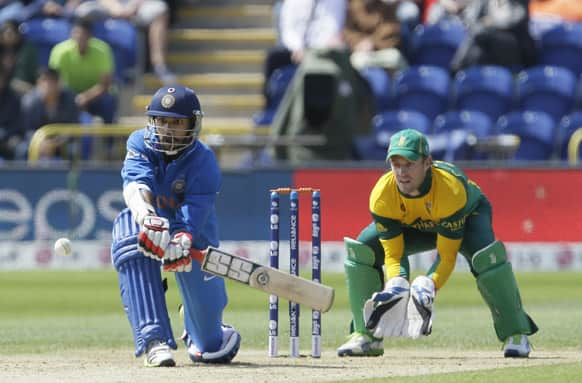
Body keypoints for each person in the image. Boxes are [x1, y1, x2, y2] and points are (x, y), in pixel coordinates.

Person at [336, 128, 538, 358]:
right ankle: (367, 337)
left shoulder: (449, 189)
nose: (401, 172)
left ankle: (516, 334)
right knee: (362, 251)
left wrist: (430, 283)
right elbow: (393, 253)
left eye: (409, 164)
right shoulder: (382, 195)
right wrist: (397, 282)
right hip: (413, 225)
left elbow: (447, 255)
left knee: (486, 257)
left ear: (427, 162)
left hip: (467, 217)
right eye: (396, 164)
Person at [109, 84, 241, 367]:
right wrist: (147, 217)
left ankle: (197, 325)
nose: (167, 129)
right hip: (150, 224)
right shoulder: (138, 142)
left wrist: (181, 239)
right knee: (128, 235)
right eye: (162, 121)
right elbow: (136, 184)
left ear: (192, 125)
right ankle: (153, 341)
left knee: (211, 349)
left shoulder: (205, 162)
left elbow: (193, 214)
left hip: (193, 240)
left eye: (177, 123)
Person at [75, 0, 176, 84]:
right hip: (108, 6)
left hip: (136, 6)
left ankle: (159, 65)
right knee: (81, 11)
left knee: (160, 8)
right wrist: (114, 7)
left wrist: (132, 7)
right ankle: (83, 64)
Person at [49, 17, 117, 123]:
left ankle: (109, 138)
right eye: (75, 33)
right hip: (68, 96)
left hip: (95, 96)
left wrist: (85, 97)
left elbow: (105, 85)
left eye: (83, 34)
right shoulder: (59, 51)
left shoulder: (102, 50)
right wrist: (72, 98)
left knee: (108, 101)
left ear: (90, 35)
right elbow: (54, 82)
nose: (79, 37)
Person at [18, 67, 80, 160]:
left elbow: (73, 127)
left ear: (59, 83)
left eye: (52, 81)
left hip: (62, 143)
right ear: (38, 83)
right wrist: (40, 143)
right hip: (37, 142)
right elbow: (26, 130)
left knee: (73, 150)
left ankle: (72, 175)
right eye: (45, 80)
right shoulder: (29, 102)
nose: (48, 85)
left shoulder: (70, 100)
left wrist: (55, 143)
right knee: (22, 150)